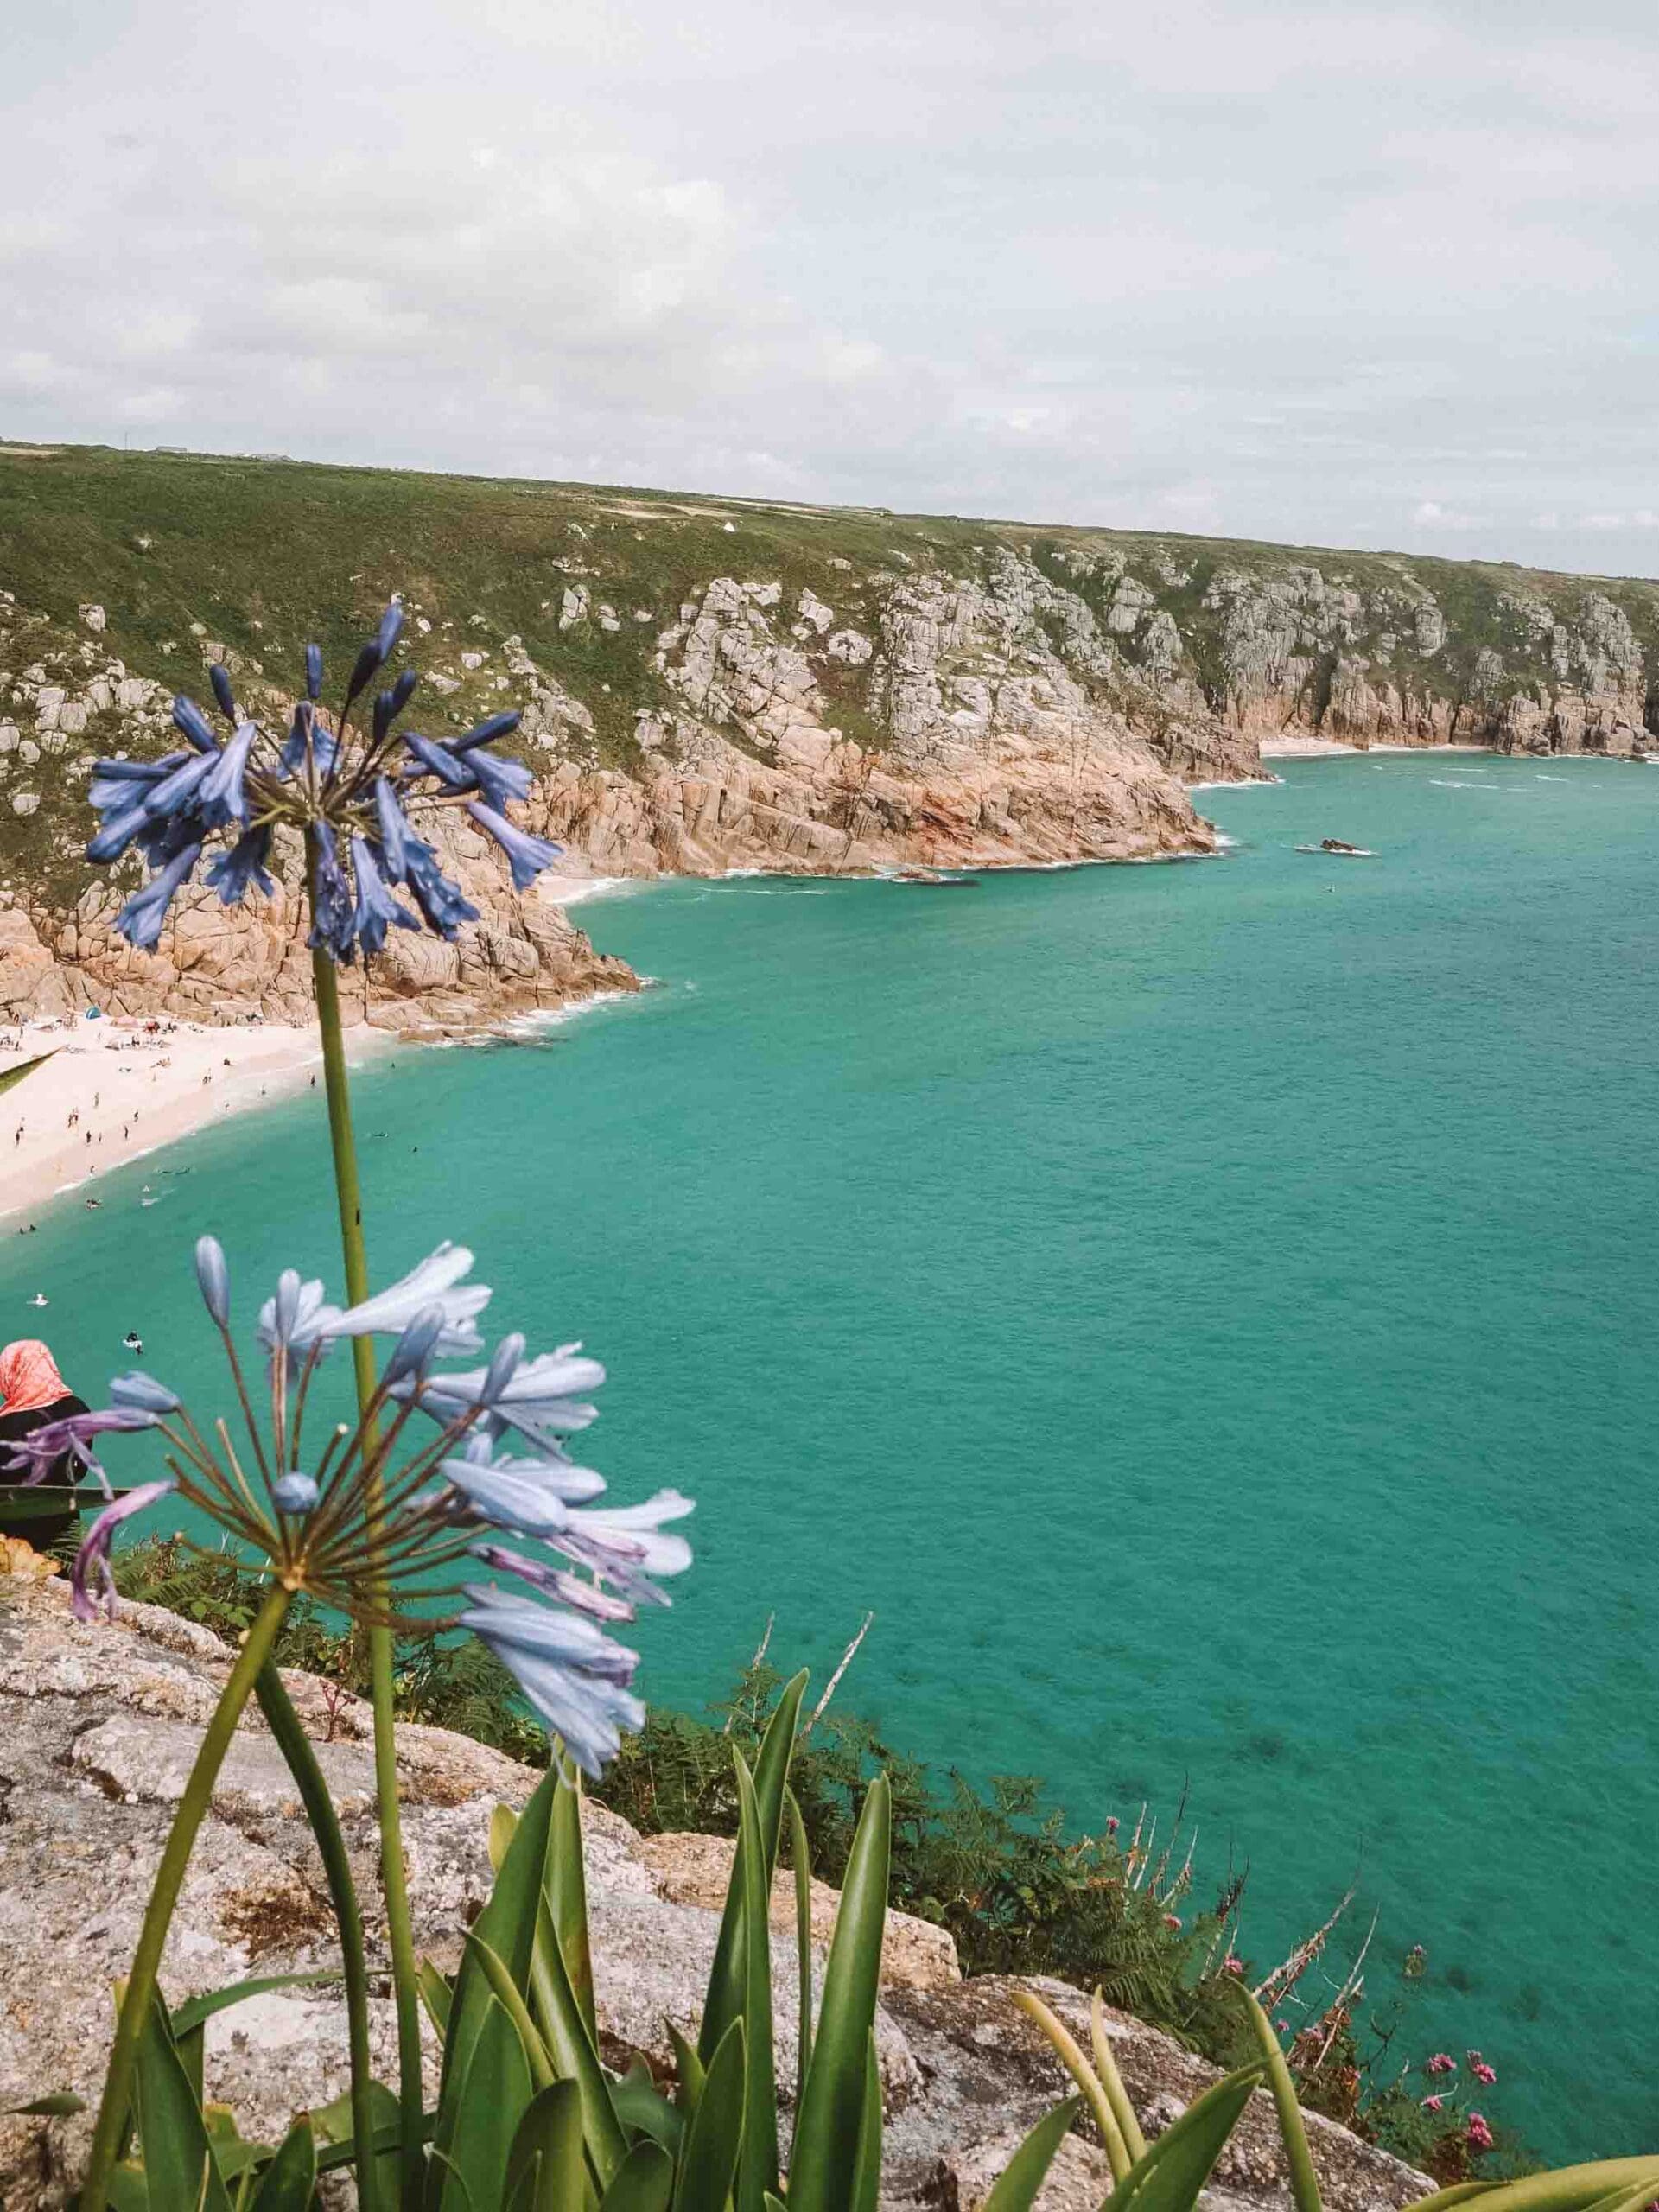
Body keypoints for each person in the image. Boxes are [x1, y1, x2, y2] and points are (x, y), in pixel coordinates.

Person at [0, 1340, 91, 1551]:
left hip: (17, 1533)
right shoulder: (78, 1410)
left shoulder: (7, 1426)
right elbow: (80, 1469)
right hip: (65, 1522)